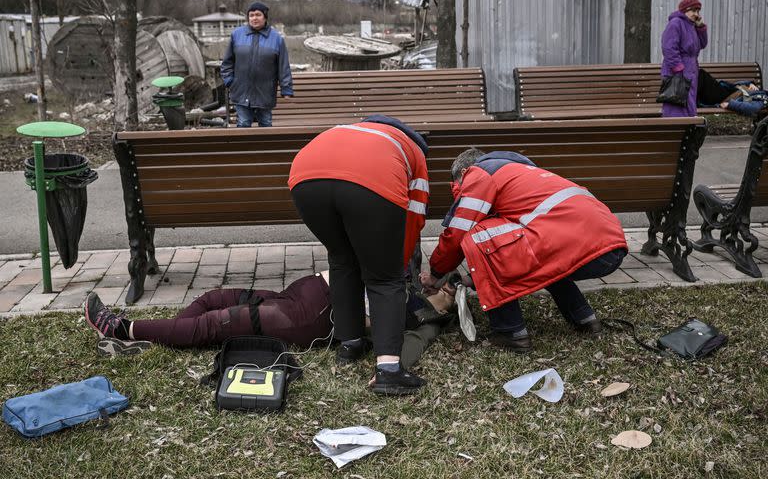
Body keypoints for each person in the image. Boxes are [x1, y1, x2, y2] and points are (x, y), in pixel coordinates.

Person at [419, 148, 628, 352]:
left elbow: (459, 231)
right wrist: (468, 280)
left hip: (578, 245)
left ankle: (510, 332)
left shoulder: (481, 172)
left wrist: (436, 274)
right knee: (549, 262)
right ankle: (585, 320)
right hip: (609, 244)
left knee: (483, 237)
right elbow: (532, 252)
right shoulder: (521, 174)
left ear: (464, 173)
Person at [288, 114, 430, 396]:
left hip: (304, 178)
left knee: (342, 260)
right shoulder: (414, 152)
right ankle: (389, 371)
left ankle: (350, 343)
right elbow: (414, 218)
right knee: (385, 277)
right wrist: (397, 262)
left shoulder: (351, 129)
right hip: (370, 181)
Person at [83, 271, 457, 372]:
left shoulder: (424, 320)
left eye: (451, 291)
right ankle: (167, 338)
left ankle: (120, 328)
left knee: (215, 323)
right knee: (212, 298)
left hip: (306, 316)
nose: (443, 286)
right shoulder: (412, 288)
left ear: (447, 309)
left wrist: (380, 344)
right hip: (298, 292)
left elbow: (403, 353)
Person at [220, 1, 293, 127]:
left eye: (258, 15)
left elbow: (283, 66)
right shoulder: (237, 35)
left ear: (265, 17)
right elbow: (227, 62)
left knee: (266, 123)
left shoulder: (276, 39)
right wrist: (229, 81)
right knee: (243, 123)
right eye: (251, 15)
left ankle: (266, 147)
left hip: (265, 92)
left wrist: (286, 89)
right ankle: (244, 146)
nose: (254, 18)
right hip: (241, 90)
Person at [660, 0, 708, 117]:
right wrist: (678, 68)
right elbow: (668, 47)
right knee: (676, 104)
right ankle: (675, 131)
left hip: (691, 69)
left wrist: (700, 27)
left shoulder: (692, 25)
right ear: (685, 10)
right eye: (693, 11)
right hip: (678, 70)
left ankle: (687, 130)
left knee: (689, 103)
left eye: (698, 11)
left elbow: (702, 44)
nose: (696, 14)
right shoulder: (676, 23)